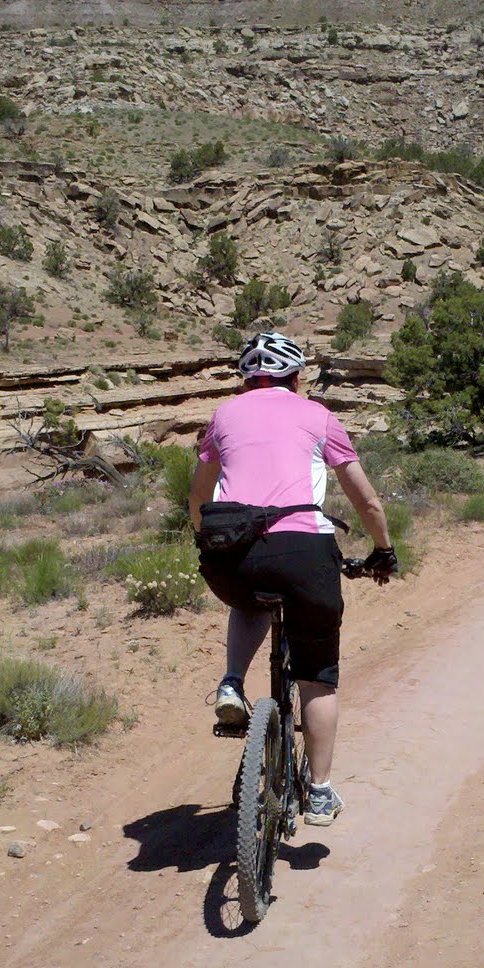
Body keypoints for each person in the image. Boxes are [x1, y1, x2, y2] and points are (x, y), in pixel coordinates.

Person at [188, 331, 396, 827]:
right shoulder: (318, 416)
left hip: (231, 549)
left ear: (247, 380)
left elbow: (197, 497)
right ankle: (320, 791)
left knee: (249, 598)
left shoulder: (222, 417)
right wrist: (384, 550)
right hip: (304, 551)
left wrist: (205, 541)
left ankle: (232, 684)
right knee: (317, 676)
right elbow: (365, 499)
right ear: (297, 378)